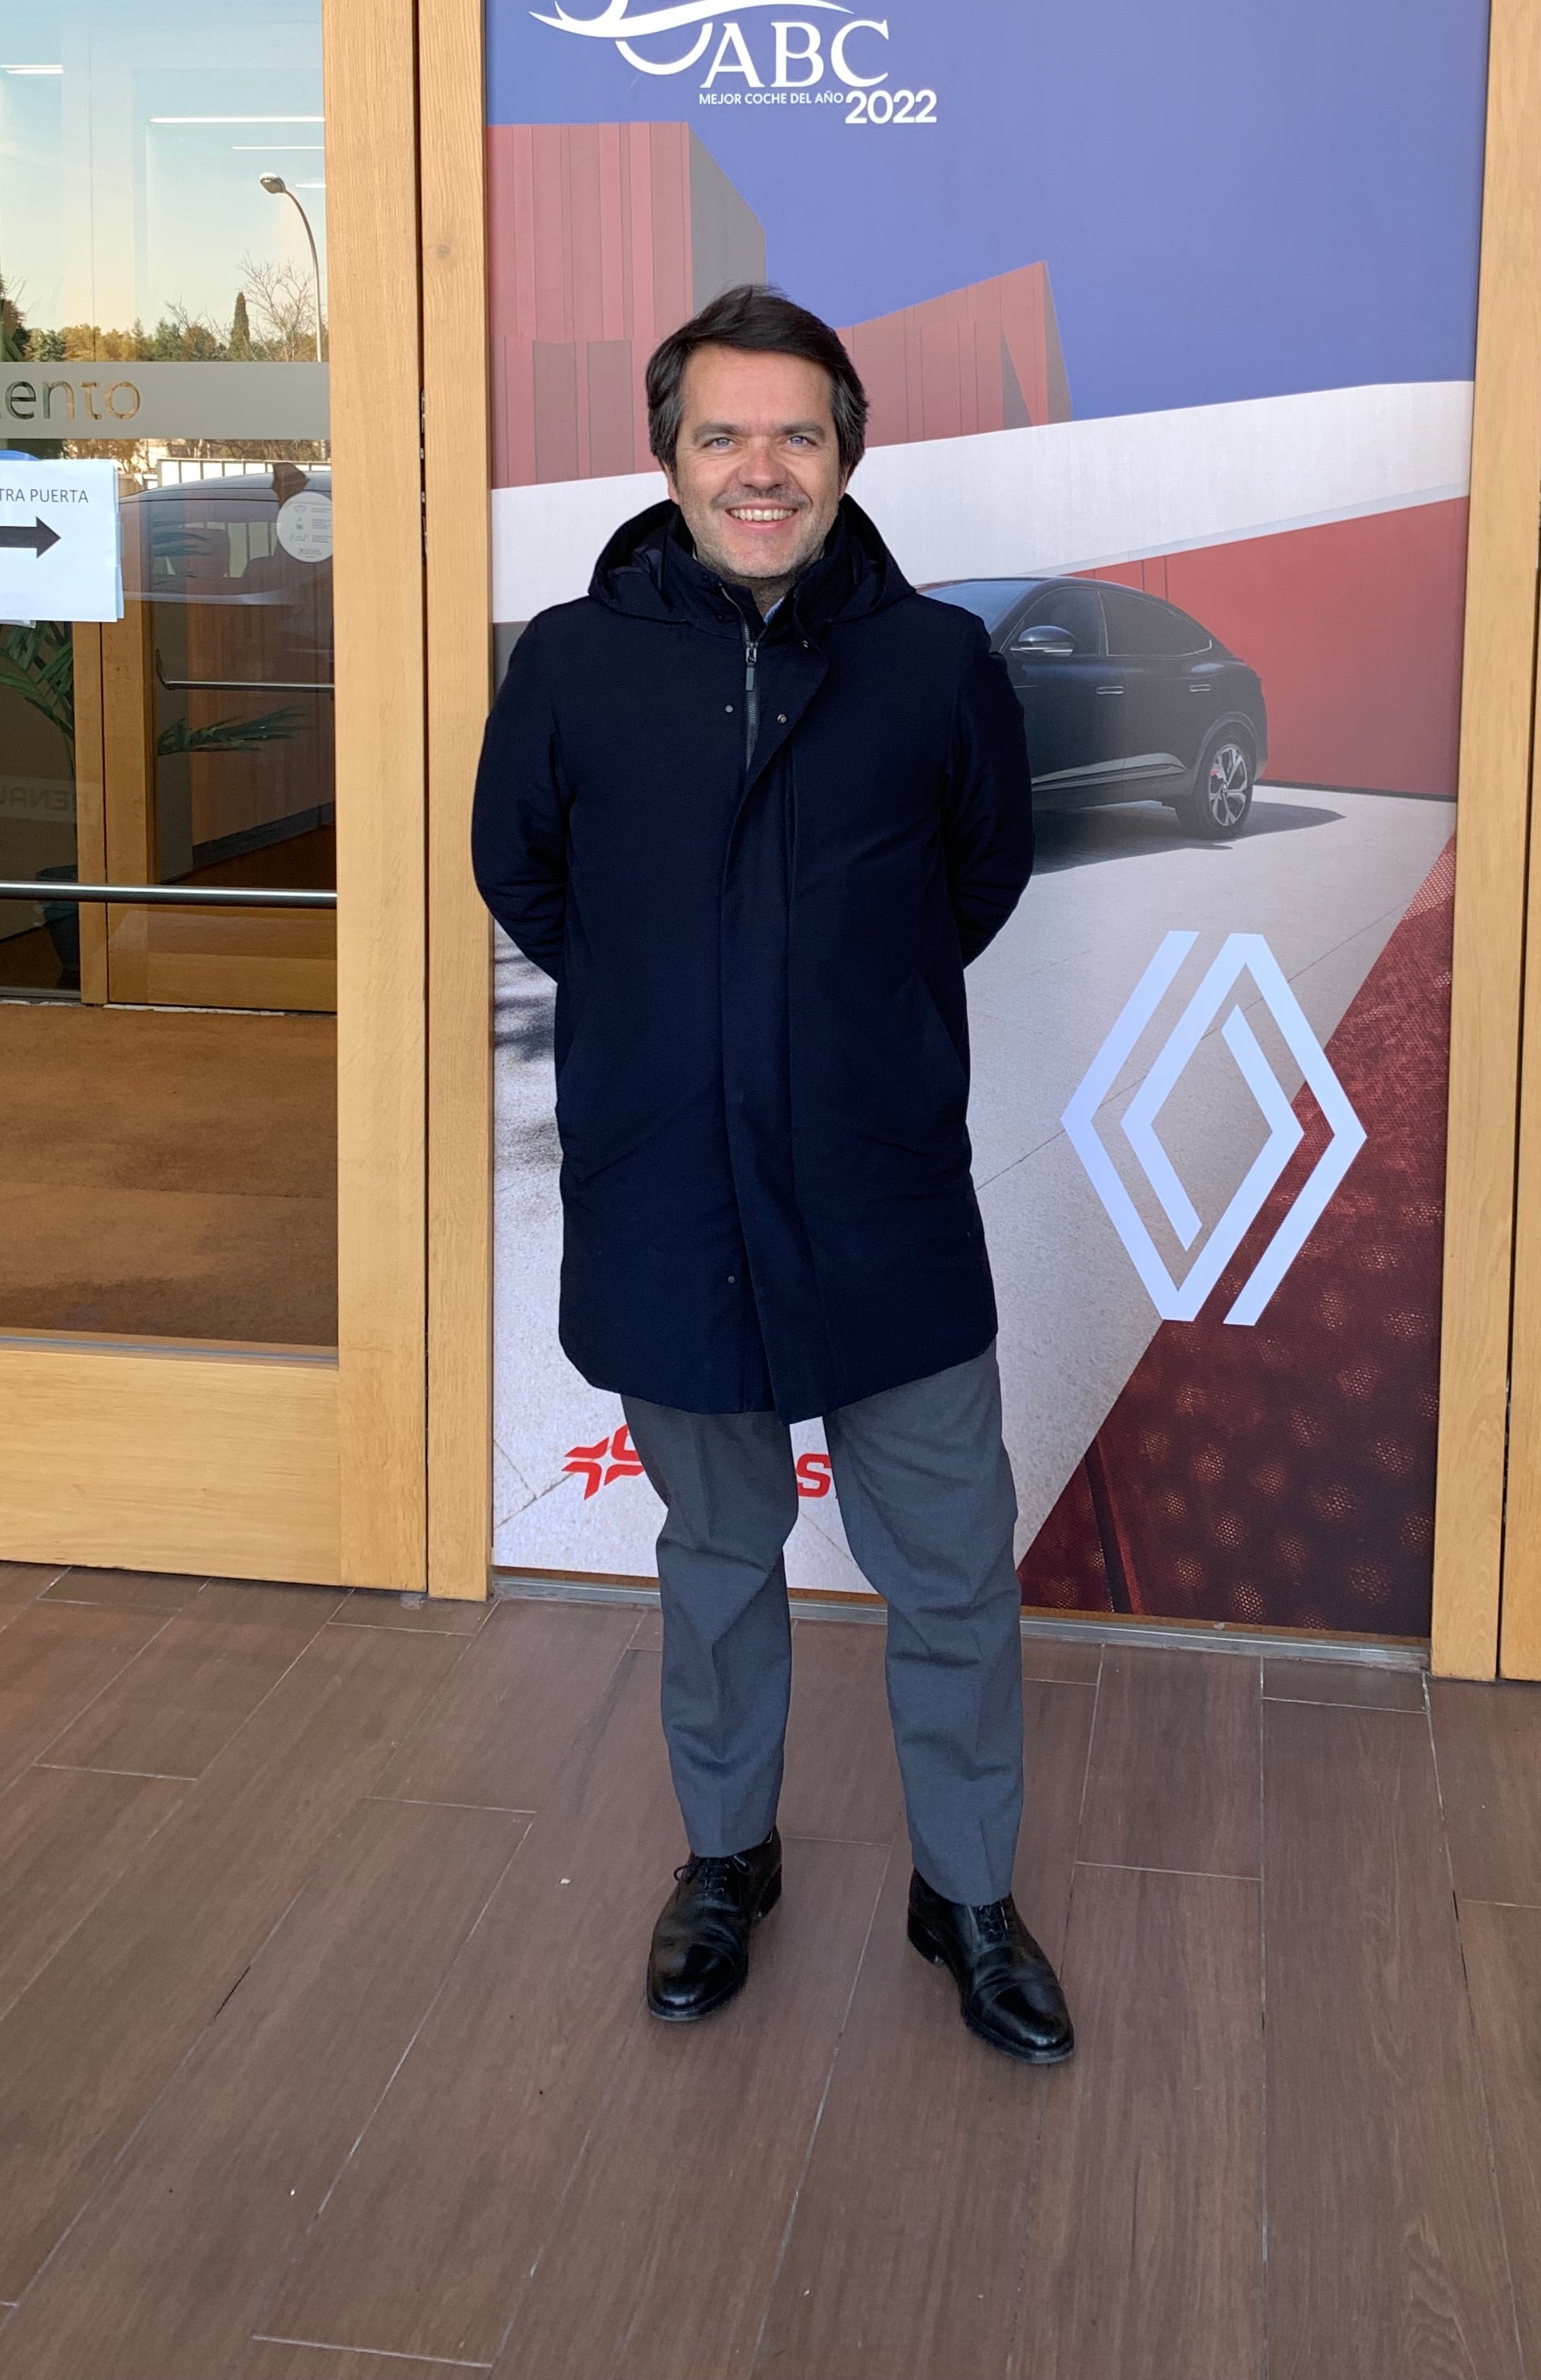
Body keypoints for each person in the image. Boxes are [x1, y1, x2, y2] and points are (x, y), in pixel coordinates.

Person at [473, 282, 1076, 2066]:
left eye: (795, 435)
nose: (760, 468)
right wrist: (686, 1013)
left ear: (847, 455)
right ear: (665, 456)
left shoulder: (934, 667)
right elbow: (529, 877)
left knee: (953, 1567)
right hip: (671, 1186)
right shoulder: (574, 664)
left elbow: (978, 880)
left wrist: (843, 1016)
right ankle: (728, 1862)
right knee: (717, 1555)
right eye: (722, 434)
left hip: (881, 1190)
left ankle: (964, 1890)